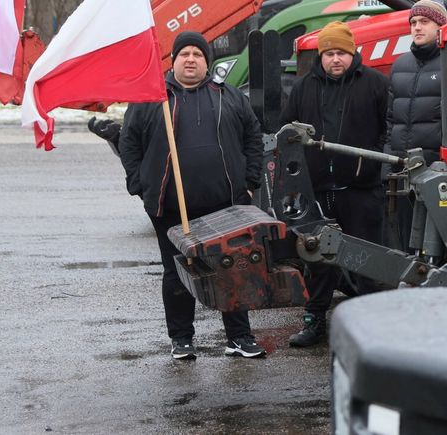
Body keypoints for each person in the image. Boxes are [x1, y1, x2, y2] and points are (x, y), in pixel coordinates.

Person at [119, 31, 266, 360]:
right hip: (170, 207)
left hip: (225, 205)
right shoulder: (152, 99)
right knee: (176, 272)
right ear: (174, 61)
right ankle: (182, 339)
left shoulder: (228, 97)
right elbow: (129, 142)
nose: (190, 59)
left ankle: (239, 338)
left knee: (233, 268)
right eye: (183, 54)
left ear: (206, 61)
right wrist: (141, 185)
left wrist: (249, 183)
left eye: (197, 55)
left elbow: (252, 139)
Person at [281, 21, 390, 347]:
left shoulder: (374, 84)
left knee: (367, 258)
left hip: (360, 188)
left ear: (352, 52)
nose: (336, 59)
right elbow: (287, 131)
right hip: (317, 190)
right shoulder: (303, 88)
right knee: (318, 260)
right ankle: (314, 321)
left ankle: (373, 324)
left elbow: (390, 129)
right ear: (321, 55)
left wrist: (374, 167)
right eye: (329, 53)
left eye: (341, 52)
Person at [386, 0, 446, 249]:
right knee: (405, 238)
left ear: (440, 26)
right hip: (401, 167)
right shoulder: (400, 66)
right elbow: (390, 119)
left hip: (434, 167)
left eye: (424, 22)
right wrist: (388, 163)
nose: (417, 28)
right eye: (413, 22)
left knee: (435, 239)